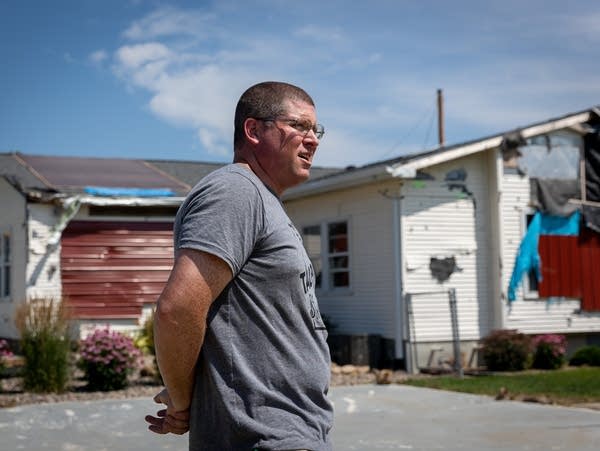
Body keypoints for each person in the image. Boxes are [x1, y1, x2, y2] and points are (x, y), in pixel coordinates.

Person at [145, 81, 334, 450]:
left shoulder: (262, 201)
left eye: (317, 130)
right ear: (253, 130)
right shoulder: (237, 191)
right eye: (299, 125)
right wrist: (183, 403)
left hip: (289, 432)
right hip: (262, 435)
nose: (312, 139)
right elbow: (178, 310)